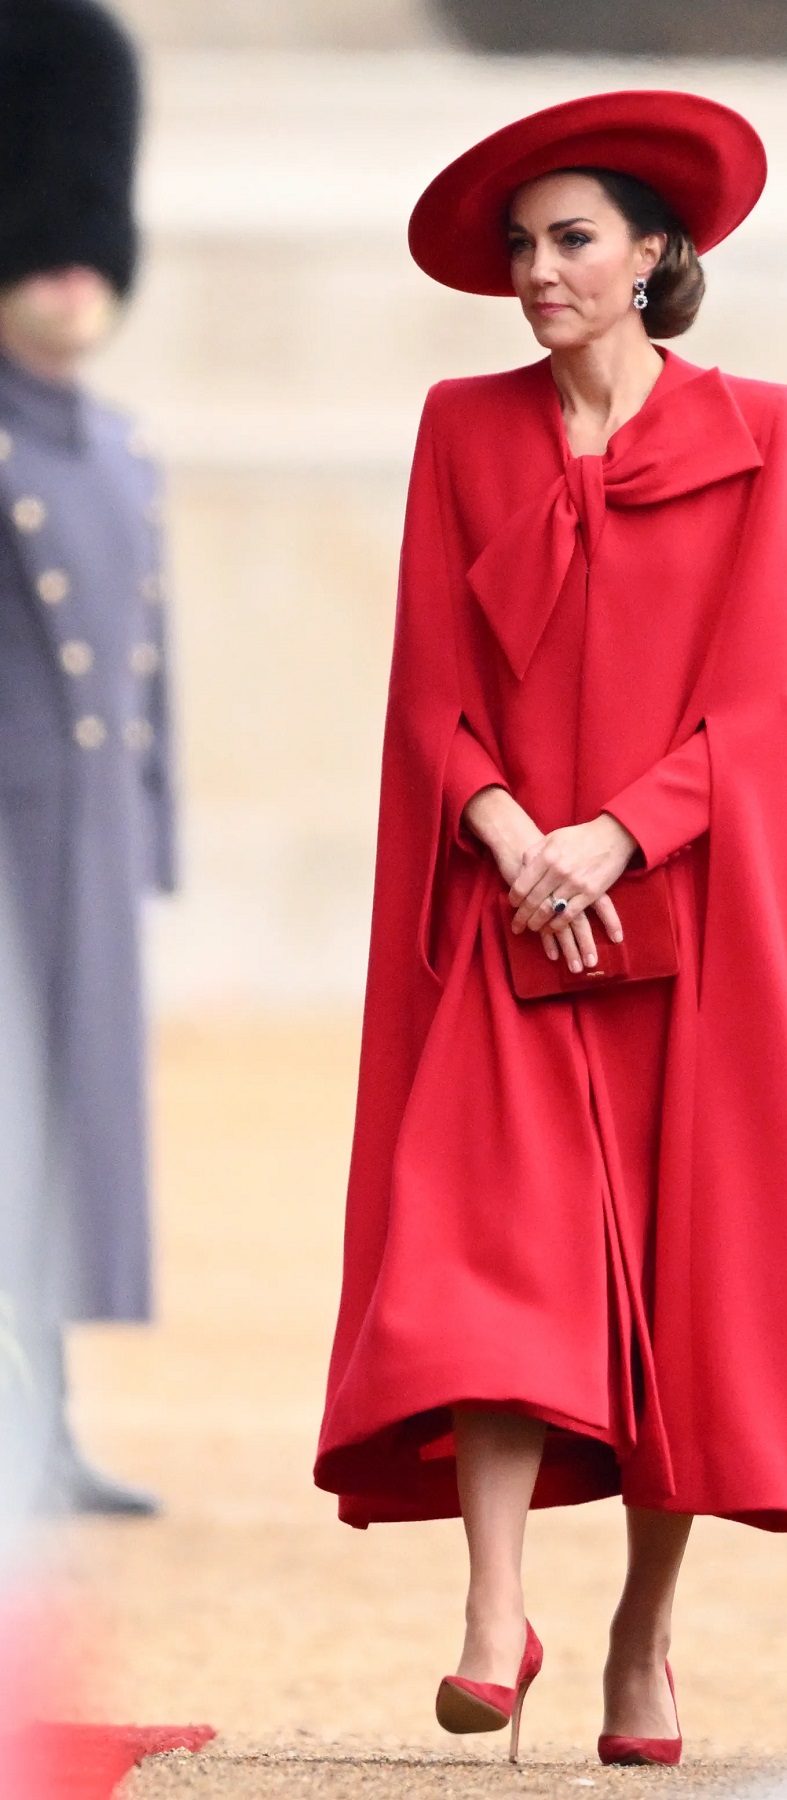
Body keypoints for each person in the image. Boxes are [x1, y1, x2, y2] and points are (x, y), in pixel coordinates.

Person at [315, 90, 787, 1764]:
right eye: (522, 245)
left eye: (571, 239)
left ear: (657, 255)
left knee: (677, 1302)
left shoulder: (765, 430)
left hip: (687, 927)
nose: (537, 271)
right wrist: (515, 840)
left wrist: (613, 839)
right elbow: (430, 684)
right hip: (511, 917)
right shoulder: (462, 428)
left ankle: (642, 1641)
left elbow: (777, 702)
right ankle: (495, 1611)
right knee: (481, 1261)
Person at [0, 0, 176, 1516]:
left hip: (86, 856)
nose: (65, 270)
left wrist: (151, 840)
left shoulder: (120, 451)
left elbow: (148, 682)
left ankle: (43, 1423)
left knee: (66, 1140)